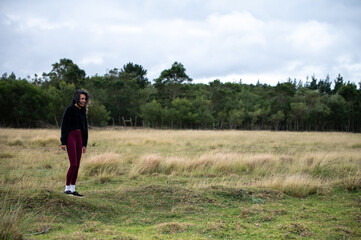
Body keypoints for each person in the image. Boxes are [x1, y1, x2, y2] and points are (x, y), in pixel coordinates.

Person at [60, 89, 89, 197]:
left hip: (79, 136)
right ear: (77, 99)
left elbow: (85, 128)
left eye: (85, 99)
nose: (84, 101)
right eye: (82, 98)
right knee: (73, 164)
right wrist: (63, 141)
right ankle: (67, 188)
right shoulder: (70, 109)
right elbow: (64, 125)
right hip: (71, 136)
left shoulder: (83, 111)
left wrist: (84, 144)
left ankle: (73, 189)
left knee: (78, 165)